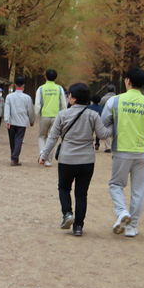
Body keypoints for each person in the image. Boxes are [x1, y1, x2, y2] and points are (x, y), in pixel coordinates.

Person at [101, 66, 144, 238]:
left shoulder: (114, 102)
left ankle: (122, 212)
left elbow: (103, 124)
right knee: (139, 190)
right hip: (142, 152)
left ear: (128, 81)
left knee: (116, 185)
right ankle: (132, 226)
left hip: (121, 150)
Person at [39, 83, 111, 236]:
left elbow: (53, 137)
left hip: (67, 159)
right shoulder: (93, 115)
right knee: (81, 194)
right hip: (87, 160)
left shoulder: (63, 115)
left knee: (64, 188)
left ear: (73, 98)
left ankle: (67, 214)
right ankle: (78, 227)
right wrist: (114, 125)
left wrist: (44, 155)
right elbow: (104, 134)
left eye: (69, 95)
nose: (68, 97)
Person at [34, 69, 67, 167]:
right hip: (56, 116)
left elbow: (38, 104)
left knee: (42, 136)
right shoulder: (59, 88)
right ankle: (48, 160)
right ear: (55, 77)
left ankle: (42, 153)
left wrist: (37, 115)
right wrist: (64, 115)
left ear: (45, 77)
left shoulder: (41, 88)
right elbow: (63, 104)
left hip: (45, 115)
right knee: (52, 138)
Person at [3, 77, 36, 166]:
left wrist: (7, 120)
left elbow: (7, 109)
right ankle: (14, 158)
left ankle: (14, 157)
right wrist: (31, 120)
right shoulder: (27, 98)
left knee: (12, 141)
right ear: (23, 85)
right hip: (22, 123)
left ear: (15, 85)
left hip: (11, 121)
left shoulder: (9, 96)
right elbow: (30, 110)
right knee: (18, 140)